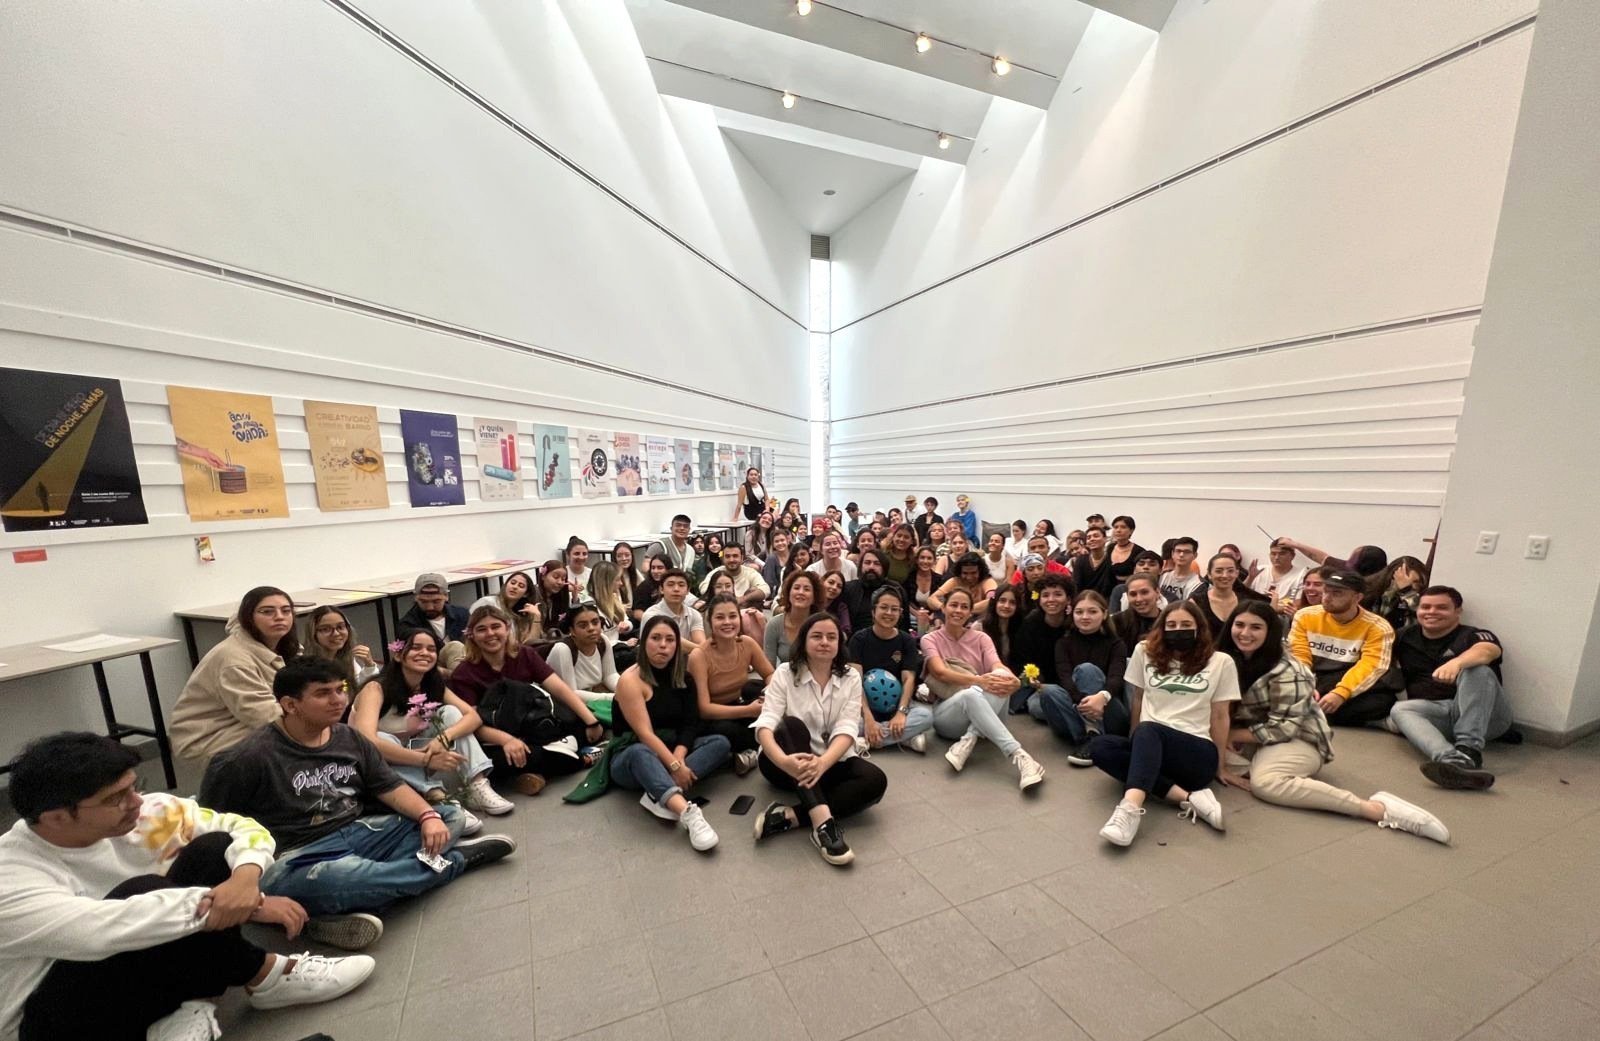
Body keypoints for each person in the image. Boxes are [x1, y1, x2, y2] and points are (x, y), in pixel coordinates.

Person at [0, 733, 377, 1041]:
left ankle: (189, 1005)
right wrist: (254, 904)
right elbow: (99, 932)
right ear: (57, 818)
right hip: (54, 1020)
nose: (136, 803)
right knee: (144, 894)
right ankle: (263, 972)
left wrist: (246, 879)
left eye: (134, 787)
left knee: (214, 851)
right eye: (115, 799)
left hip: (141, 970)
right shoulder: (11, 873)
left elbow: (241, 827)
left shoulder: (148, 811)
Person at [200, 658, 515, 923]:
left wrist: (428, 815)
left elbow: (388, 786)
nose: (338, 700)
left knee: (449, 816)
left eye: (341, 689)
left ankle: (358, 897)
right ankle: (453, 863)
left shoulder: (348, 738)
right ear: (290, 704)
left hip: (361, 831)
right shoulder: (245, 759)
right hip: (297, 856)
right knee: (339, 880)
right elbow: (212, 836)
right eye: (323, 693)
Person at [1215, 603, 1449, 841]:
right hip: (1248, 736)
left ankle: (1376, 808)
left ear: (1270, 632)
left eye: (1256, 627)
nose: (1245, 633)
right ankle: (1251, 765)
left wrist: (1227, 735)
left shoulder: (1287, 670)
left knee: (1266, 784)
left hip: (1296, 738)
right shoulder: (1222, 660)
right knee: (1199, 757)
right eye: (1239, 625)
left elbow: (1283, 729)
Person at [1089, 602, 1237, 846]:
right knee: (1100, 748)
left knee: (1149, 730)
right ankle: (1188, 798)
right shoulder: (1144, 651)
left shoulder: (1220, 661)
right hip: (1151, 743)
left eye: (1186, 625)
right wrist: (1134, 741)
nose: (1178, 630)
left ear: (1199, 628)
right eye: (1172, 625)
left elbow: (1221, 715)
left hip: (1195, 752)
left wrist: (1220, 766)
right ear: (1162, 627)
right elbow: (1138, 698)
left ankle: (1129, 810)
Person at [753, 613, 888, 866]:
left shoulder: (850, 677)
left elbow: (848, 728)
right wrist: (784, 761)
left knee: (875, 781)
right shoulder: (785, 673)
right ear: (803, 641)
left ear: (839, 644)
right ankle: (823, 826)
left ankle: (790, 815)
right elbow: (766, 723)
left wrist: (824, 763)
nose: (824, 641)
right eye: (816, 636)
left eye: (831, 637)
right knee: (789, 725)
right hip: (783, 764)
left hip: (828, 761)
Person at [349, 628, 511, 821]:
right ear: (399, 655)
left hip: (414, 754)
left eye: (431, 649)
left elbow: (472, 716)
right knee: (383, 738)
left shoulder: (432, 684)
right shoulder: (376, 688)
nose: (424, 653)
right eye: (416, 648)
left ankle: (477, 784)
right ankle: (438, 798)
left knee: (450, 713)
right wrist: (425, 760)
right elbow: (367, 742)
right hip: (376, 765)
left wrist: (443, 738)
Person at [447, 606, 606, 795]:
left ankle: (540, 770)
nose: (490, 634)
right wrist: (508, 740)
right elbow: (472, 723)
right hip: (497, 737)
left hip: (535, 725)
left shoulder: (524, 654)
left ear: (507, 628)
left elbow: (560, 688)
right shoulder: (464, 674)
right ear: (472, 635)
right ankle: (581, 758)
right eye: (482, 629)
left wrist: (591, 720)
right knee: (498, 761)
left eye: (495, 626)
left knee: (584, 724)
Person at [608, 617, 728, 852]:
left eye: (670, 639)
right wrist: (675, 767)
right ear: (643, 643)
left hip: (670, 747)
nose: (663, 645)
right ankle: (688, 813)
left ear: (677, 645)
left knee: (720, 742)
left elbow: (690, 724)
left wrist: (679, 759)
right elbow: (645, 734)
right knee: (641, 753)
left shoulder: (685, 677)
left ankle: (658, 792)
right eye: (655, 638)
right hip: (630, 757)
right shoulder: (631, 680)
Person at [1389, 586, 1512, 790]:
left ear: (1458, 611)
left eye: (1442, 608)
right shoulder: (1404, 636)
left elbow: (1488, 651)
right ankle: (1452, 759)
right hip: (1440, 713)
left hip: (1488, 718)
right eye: (1425, 607)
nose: (1431, 612)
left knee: (1477, 670)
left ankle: (1469, 748)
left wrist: (1458, 663)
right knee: (1400, 709)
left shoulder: (1474, 635)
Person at [921, 589, 1046, 790]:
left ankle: (970, 738)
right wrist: (978, 680)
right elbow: (940, 672)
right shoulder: (930, 639)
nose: (958, 610)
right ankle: (1020, 756)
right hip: (948, 715)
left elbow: (996, 664)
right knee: (972, 692)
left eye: (964, 607)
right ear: (943, 608)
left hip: (987, 710)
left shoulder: (981, 638)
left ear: (971, 612)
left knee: (1003, 676)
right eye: (953, 605)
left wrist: (1012, 679)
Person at [171, 586, 298, 765]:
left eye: (286, 611)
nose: (279, 617)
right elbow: (262, 715)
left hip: (239, 721)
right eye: (267, 611)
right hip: (209, 735)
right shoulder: (233, 660)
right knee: (295, 743)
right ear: (249, 617)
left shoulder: (283, 645)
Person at [1288, 567, 1399, 728]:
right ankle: (1317, 713)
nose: (1327, 597)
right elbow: (1298, 653)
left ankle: (1308, 713)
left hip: (1347, 679)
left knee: (1382, 701)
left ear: (1357, 597)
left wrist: (1341, 693)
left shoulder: (1378, 626)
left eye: (1337, 593)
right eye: (1326, 591)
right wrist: (1304, 683)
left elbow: (1371, 666)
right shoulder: (1305, 615)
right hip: (1314, 677)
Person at [1031, 591, 1131, 764]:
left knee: (1087, 670)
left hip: (1109, 710)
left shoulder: (1116, 644)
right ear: (1072, 614)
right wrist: (1084, 702)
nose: (1085, 617)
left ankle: (1092, 734)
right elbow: (1065, 678)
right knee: (1048, 691)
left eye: (1092, 611)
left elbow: (1116, 678)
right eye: (1079, 612)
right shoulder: (1063, 643)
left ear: (1104, 613)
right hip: (1080, 706)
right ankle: (1090, 736)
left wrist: (1101, 697)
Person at [688, 594, 776, 775]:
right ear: (710, 621)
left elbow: (770, 674)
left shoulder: (747, 643)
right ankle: (757, 748)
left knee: (758, 690)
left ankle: (750, 751)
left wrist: (768, 693)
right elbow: (704, 709)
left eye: (732, 616)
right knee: (728, 730)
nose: (727, 622)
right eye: (720, 617)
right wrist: (749, 711)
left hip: (739, 704)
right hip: (712, 717)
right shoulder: (699, 655)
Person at [847, 585, 933, 754]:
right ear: (873, 611)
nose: (889, 613)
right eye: (884, 608)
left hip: (896, 706)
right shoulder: (858, 639)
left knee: (926, 716)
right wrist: (869, 719)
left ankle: (870, 740)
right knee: (843, 721)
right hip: (863, 708)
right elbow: (855, 681)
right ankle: (904, 738)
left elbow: (908, 679)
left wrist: (901, 713)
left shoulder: (906, 641)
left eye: (894, 609)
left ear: (901, 613)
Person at [545, 602, 621, 697]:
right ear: (572, 631)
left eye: (595, 622)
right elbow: (571, 694)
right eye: (583, 625)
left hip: (594, 695)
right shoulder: (562, 649)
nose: (591, 628)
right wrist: (613, 698)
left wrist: (625, 689)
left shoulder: (603, 641)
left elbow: (610, 675)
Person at [304, 606, 380, 697]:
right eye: (326, 629)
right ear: (313, 633)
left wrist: (369, 665)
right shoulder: (307, 666)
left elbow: (361, 688)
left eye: (340, 627)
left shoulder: (346, 658)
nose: (336, 633)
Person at [398, 573, 469, 667]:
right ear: (415, 598)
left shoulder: (462, 615)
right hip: (431, 668)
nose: (430, 607)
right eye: (424, 602)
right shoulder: (408, 624)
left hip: (467, 661)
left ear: (446, 596)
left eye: (436, 601)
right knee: (455, 647)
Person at [1189, 552, 1270, 636]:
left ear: (1237, 573)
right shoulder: (1196, 602)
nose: (1225, 575)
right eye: (1219, 571)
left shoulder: (1246, 602)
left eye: (1230, 571)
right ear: (1209, 574)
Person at [763, 570, 821, 665]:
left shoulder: (823, 624)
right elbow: (768, 668)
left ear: (815, 597)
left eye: (807, 589)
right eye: (796, 588)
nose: (801, 592)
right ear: (788, 593)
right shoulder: (774, 625)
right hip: (785, 678)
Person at [639, 568, 707, 647]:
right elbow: (673, 642)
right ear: (661, 589)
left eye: (681, 585)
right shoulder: (651, 615)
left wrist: (702, 650)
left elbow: (701, 642)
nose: (676, 589)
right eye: (670, 585)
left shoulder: (694, 614)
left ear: (688, 590)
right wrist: (701, 650)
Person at [469, 570, 542, 642]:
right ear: (505, 585)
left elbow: (530, 644)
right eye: (512, 583)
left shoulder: (522, 613)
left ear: (526, 594)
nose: (515, 587)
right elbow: (470, 629)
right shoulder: (487, 602)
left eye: (521, 586)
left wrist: (537, 616)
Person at [839, 549, 900, 634]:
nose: (871, 567)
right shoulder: (848, 588)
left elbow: (903, 624)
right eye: (867, 563)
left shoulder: (895, 589)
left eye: (877, 564)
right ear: (860, 566)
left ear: (884, 567)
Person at [1365, 556, 1430, 633]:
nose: (1413, 586)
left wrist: (1407, 592)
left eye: (1416, 582)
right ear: (1393, 577)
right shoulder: (1370, 593)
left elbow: (1422, 618)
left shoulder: (1422, 598)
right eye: (1405, 581)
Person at [700, 542, 772, 606]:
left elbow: (766, 590)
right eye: (728, 556)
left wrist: (743, 599)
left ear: (742, 558)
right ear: (723, 559)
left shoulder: (750, 573)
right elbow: (704, 588)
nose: (731, 560)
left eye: (735, 556)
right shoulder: (717, 572)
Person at [930, 552, 998, 619]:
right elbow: (931, 599)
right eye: (965, 573)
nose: (969, 577)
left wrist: (965, 610)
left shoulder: (987, 581)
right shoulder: (955, 581)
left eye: (973, 573)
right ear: (960, 572)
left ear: (980, 571)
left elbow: (992, 600)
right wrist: (944, 608)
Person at [1247, 538, 1306, 614]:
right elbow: (1240, 593)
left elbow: (1299, 602)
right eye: (1273, 553)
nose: (1276, 557)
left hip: (1282, 618)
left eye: (1282, 554)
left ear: (1292, 556)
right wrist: (1250, 578)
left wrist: (1271, 609)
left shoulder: (1301, 575)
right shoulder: (1260, 570)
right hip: (1254, 613)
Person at [588, 560, 636, 649]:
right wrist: (624, 644)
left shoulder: (613, 598)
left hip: (618, 646)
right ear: (606, 582)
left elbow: (627, 622)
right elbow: (595, 641)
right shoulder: (589, 607)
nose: (621, 583)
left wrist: (626, 626)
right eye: (617, 580)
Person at [1109, 573, 1164, 648]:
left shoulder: (1167, 622)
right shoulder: (1116, 622)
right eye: (1133, 594)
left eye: (1144, 592)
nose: (1139, 599)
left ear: (1157, 592)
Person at [980, 585, 1025, 668]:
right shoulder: (980, 628)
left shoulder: (1021, 629)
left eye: (1012, 602)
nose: (1006, 606)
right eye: (1002, 601)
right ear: (995, 602)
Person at [530, 559, 575, 636]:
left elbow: (566, 626)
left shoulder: (560, 597)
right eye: (556, 577)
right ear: (543, 576)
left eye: (563, 579)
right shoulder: (533, 595)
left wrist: (575, 597)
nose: (560, 582)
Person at [1070, 525, 1116, 597]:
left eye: (1096, 536)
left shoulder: (1111, 559)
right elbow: (1076, 585)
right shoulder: (1081, 560)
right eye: (1088, 538)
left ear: (1105, 539)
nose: (1092, 539)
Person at [907, 546, 941, 632]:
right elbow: (906, 601)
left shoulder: (939, 579)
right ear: (917, 560)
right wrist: (917, 614)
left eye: (929, 558)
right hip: (912, 616)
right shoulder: (909, 577)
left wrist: (932, 616)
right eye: (922, 558)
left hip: (934, 617)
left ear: (934, 561)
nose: (925, 561)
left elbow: (942, 603)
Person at [1159, 537, 1203, 604]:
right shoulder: (1162, 576)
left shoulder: (1199, 583)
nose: (1181, 555)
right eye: (1178, 551)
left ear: (1195, 555)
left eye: (1187, 552)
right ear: (1172, 554)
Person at [1106, 515, 1148, 586]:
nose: (1118, 530)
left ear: (1131, 531)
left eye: (1123, 527)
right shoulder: (1110, 547)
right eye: (1116, 527)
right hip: (1108, 588)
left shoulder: (1139, 551)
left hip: (1129, 587)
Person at [633, 553, 669, 622]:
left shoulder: (673, 584)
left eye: (660, 568)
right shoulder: (644, 587)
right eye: (653, 568)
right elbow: (637, 613)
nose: (655, 571)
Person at [565, 538, 596, 603]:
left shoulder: (593, 574)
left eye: (584, 554)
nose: (581, 557)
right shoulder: (562, 574)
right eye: (576, 554)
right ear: (568, 555)